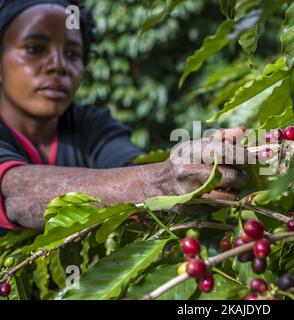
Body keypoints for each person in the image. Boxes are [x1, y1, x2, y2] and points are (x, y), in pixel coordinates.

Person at [0, 0, 249, 231]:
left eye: (73, 54)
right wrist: (161, 184)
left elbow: (132, 170)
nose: (58, 65)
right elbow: (16, 194)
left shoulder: (92, 126)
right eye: (35, 49)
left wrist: (200, 165)